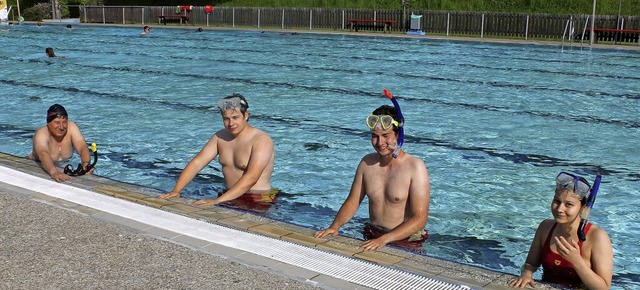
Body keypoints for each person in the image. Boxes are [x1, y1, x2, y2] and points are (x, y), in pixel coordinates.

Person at [314, 93, 430, 251]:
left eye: (386, 136)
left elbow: (420, 218)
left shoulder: (415, 167)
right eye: (375, 136)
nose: (380, 142)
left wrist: (385, 239)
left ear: (398, 135)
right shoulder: (367, 163)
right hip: (372, 235)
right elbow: (352, 202)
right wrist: (335, 226)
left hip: (405, 240)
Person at [159, 94, 276, 209]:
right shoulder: (220, 137)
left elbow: (252, 177)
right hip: (228, 195)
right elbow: (197, 163)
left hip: (257, 199)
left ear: (246, 116)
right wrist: (176, 190)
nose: (231, 124)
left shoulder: (261, 140)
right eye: (226, 119)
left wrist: (217, 201)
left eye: (235, 117)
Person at [509, 172, 613, 289]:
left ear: (583, 208)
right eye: (557, 201)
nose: (559, 209)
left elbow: (604, 287)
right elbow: (530, 264)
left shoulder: (597, 237)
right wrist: (527, 274)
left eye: (569, 204)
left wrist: (577, 262)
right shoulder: (545, 227)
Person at [27, 104, 95, 183]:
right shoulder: (41, 134)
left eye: (64, 122)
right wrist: (54, 172)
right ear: (48, 122)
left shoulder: (71, 127)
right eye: (57, 122)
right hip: (33, 164)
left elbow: (82, 146)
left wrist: (85, 163)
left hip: (62, 165)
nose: (61, 127)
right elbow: (43, 153)